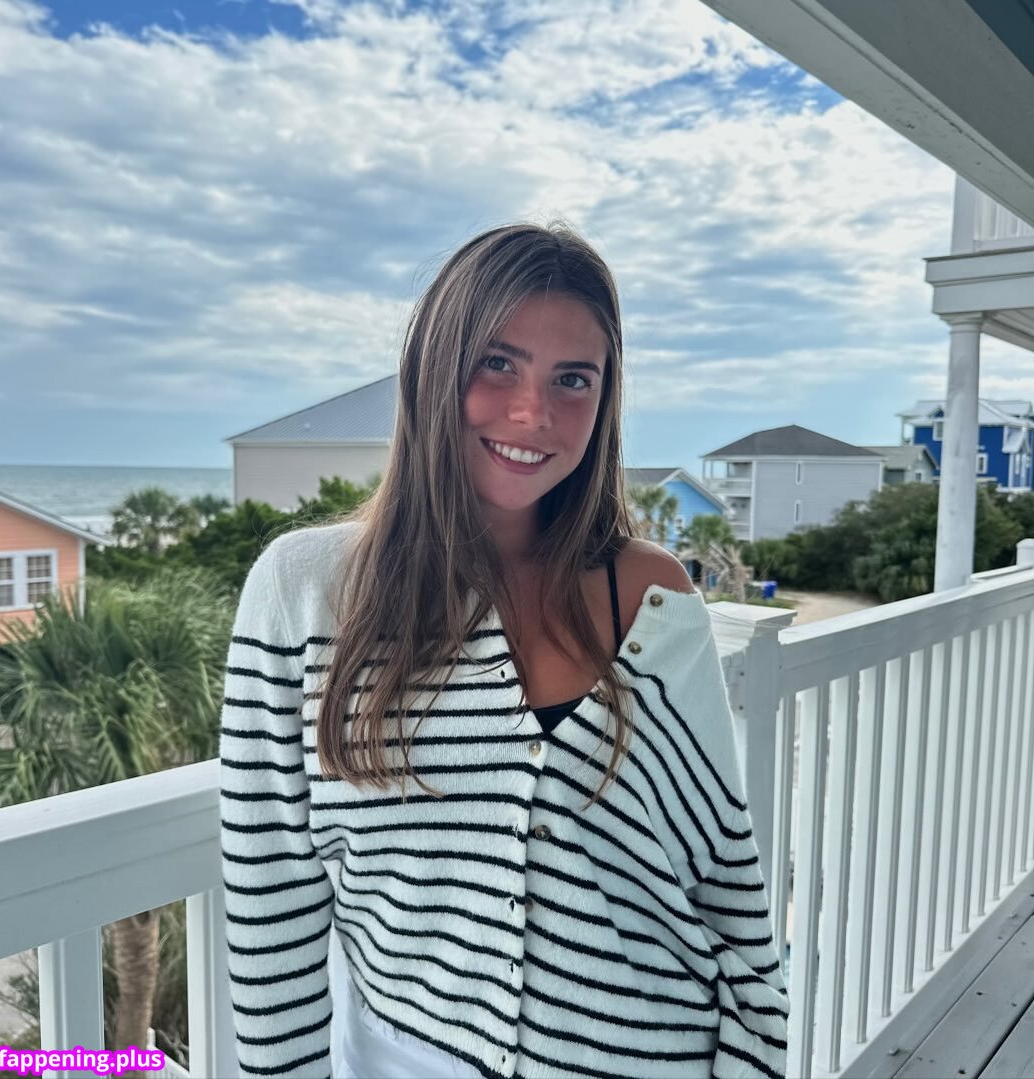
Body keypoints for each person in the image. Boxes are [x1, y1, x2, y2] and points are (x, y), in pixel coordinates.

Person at [218, 222, 789, 1079]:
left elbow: (724, 883)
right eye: (497, 363)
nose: (533, 413)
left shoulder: (650, 594)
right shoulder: (306, 591)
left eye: (573, 379)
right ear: (431, 369)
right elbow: (272, 902)